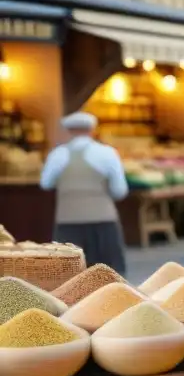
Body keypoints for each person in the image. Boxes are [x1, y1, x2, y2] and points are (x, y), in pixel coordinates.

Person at [39, 112, 129, 273]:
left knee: (68, 277)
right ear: (92, 129)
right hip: (103, 222)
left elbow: (46, 183)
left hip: (68, 222)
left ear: (69, 131)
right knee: (109, 275)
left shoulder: (57, 154)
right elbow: (119, 191)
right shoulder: (107, 153)